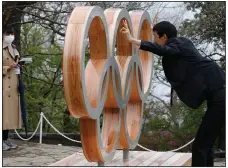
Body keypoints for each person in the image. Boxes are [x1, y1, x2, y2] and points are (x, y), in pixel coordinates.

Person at [120, 20, 225, 166]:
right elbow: (166, 45)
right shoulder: (183, 42)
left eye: (156, 36)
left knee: (201, 147)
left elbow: (163, 50)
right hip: (218, 95)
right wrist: (154, 27)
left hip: (220, 99)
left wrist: (132, 40)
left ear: (164, 37)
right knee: (205, 145)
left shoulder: (175, 47)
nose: (155, 40)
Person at [3, 27, 22, 151]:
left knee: (8, 115)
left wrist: (19, 65)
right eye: (8, 34)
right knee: (2, 114)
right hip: (3, 84)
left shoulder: (13, 47)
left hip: (13, 84)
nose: (11, 36)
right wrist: (7, 67)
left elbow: (16, 61)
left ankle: (5, 139)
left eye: (12, 34)